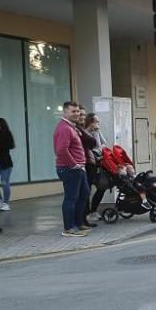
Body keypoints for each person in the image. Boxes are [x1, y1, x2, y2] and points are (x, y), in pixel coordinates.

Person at [54, 101, 90, 237]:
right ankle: (69, 228)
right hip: (70, 169)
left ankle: (78, 223)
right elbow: (61, 150)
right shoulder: (64, 128)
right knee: (71, 198)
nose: (77, 114)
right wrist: (74, 164)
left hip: (78, 168)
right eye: (73, 111)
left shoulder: (71, 127)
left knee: (84, 194)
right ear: (65, 112)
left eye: (77, 111)